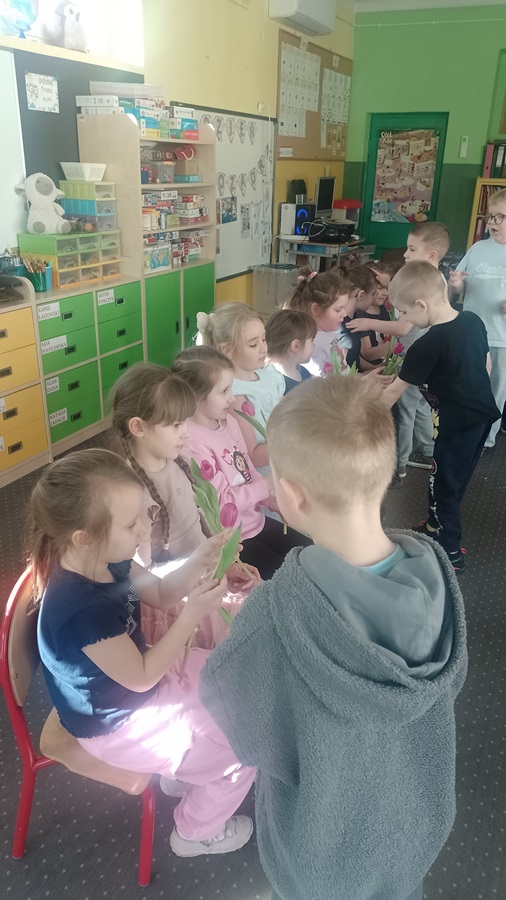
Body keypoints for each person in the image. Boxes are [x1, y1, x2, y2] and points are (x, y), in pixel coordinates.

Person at [200, 374, 468, 900]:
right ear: (385, 471)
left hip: (322, 851)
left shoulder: (276, 615)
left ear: (290, 496)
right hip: (414, 828)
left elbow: (239, 722)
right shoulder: (437, 577)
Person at [31, 449, 255, 858]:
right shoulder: (80, 611)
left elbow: (162, 593)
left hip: (140, 685)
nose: (144, 528)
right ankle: (195, 833)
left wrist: (200, 559)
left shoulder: (105, 558)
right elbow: (141, 677)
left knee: (231, 685)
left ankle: (188, 770)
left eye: (142, 515)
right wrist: (191, 614)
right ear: (83, 536)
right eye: (131, 522)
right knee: (245, 749)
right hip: (119, 723)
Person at [110, 362, 259, 647]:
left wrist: (225, 563)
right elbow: (144, 577)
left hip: (202, 577)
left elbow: (200, 524)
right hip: (177, 600)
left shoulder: (180, 461)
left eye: (185, 422)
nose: (186, 433)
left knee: (260, 605)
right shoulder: (133, 495)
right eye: (176, 425)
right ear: (139, 427)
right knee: (247, 634)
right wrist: (201, 565)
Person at [382, 261, 500, 572]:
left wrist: (354, 417)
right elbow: (486, 365)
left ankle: (451, 552)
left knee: (444, 486)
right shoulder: (472, 320)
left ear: (421, 305)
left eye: (404, 312)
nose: (405, 320)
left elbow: (393, 393)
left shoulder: (427, 345)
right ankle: (435, 525)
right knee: (450, 480)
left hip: (457, 427)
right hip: (481, 416)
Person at [172, 346, 311, 580]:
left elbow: (246, 468)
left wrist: (270, 500)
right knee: (291, 580)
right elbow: (222, 504)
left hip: (255, 522)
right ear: (195, 396)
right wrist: (266, 485)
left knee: (310, 555)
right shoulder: (191, 443)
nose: (232, 397)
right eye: (224, 391)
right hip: (233, 543)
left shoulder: (229, 421)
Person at [349, 221, 450, 477]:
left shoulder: (423, 284)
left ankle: (400, 464)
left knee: (405, 410)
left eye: (412, 249)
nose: (405, 255)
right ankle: (428, 451)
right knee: (420, 406)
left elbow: (404, 328)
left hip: (415, 355)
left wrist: (368, 322)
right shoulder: (436, 278)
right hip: (426, 355)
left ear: (432, 255)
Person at [197, 303, 285, 471]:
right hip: (265, 475)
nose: (263, 348)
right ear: (227, 350)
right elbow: (251, 456)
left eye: (264, 339)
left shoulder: (269, 375)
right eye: (253, 345)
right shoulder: (234, 395)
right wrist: (295, 444)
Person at [449, 187, 506, 448]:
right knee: (466, 383)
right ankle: (464, 430)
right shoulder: (477, 248)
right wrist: (456, 283)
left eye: (501, 217)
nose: (493, 222)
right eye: (491, 216)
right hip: (471, 333)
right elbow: (460, 286)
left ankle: (487, 437)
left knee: (496, 389)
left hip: (502, 337)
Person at [284, 266, 350, 377]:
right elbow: (320, 383)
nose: (345, 313)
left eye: (345, 307)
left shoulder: (329, 331)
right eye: (338, 309)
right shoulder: (311, 346)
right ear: (316, 309)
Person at [265, 308, 316, 392]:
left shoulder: (303, 371)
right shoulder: (274, 383)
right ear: (296, 346)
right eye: (312, 340)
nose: (314, 344)